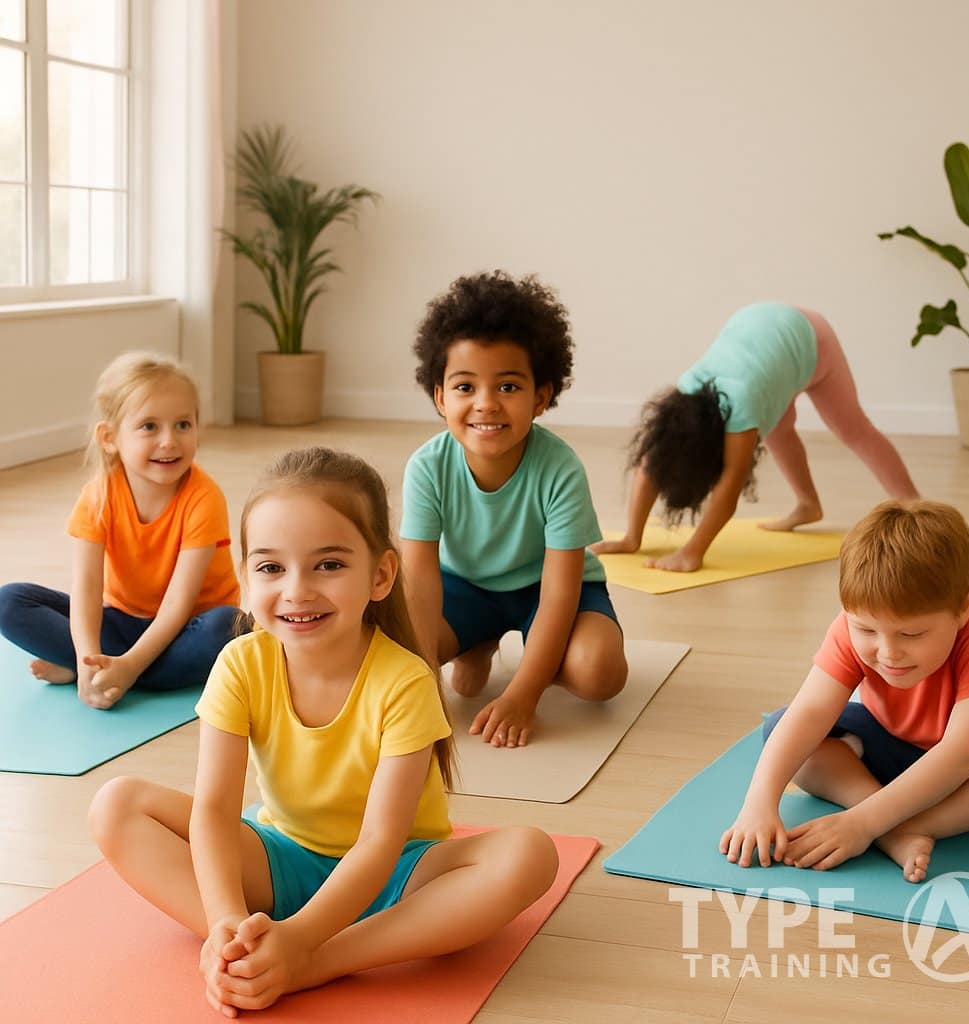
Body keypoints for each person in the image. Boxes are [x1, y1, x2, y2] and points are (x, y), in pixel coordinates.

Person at [88, 447, 558, 1016]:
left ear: (381, 574)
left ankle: (316, 962)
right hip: (278, 858)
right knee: (117, 805)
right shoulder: (240, 664)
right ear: (244, 578)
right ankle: (246, 953)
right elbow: (213, 811)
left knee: (530, 855)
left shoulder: (404, 679)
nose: (297, 590)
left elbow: (381, 843)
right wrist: (225, 925)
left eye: (328, 565)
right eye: (270, 567)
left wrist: (303, 943)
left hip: (398, 877)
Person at [720, 499, 969, 883]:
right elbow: (810, 712)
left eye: (911, 634)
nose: (888, 651)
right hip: (895, 746)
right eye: (866, 630)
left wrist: (862, 824)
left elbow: (963, 752)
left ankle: (898, 824)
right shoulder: (854, 621)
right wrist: (759, 803)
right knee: (786, 732)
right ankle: (896, 832)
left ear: (963, 609)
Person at [401, 270, 628, 749]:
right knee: (392, 646)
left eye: (507, 387)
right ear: (440, 397)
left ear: (541, 397)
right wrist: (421, 687)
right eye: (465, 387)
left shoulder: (560, 468)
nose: (486, 404)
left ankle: (532, 656)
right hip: (463, 587)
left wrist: (524, 694)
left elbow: (559, 592)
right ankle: (478, 641)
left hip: (546, 589)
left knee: (600, 674)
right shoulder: (426, 467)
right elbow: (418, 584)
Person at [591, 303, 919, 572]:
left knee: (853, 429)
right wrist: (632, 537)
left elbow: (731, 485)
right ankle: (808, 505)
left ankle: (914, 503)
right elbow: (650, 462)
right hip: (762, 331)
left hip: (812, 337)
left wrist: (693, 551)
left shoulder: (742, 405)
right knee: (778, 427)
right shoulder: (685, 394)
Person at [0, 352, 240, 708]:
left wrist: (128, 666)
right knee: (9, 601)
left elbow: (178, 604)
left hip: (188, 627)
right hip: (121, 623)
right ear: (109, 437)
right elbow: (87, 588)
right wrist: (86, 659)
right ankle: (102, 669)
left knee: (228, 627)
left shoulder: (204, 498)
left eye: (183, 425)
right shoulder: (98, 495)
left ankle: (118, 671)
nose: (169, 441)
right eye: (149, 426)